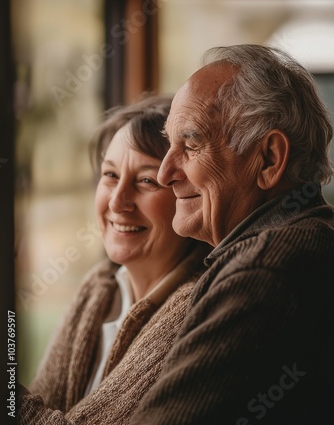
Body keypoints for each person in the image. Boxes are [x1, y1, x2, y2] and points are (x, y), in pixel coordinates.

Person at [128, 44, 334, 425]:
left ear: (269, 159)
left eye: (190, 144)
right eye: (168, 143)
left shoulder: (266, 269)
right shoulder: (307, 236)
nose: (164, 174)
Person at [18, 96, 211, 424]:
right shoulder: (99, 287)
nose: (118, 201)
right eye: (110, 175)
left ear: (186, 198)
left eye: (147, 180)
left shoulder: (194, 313)